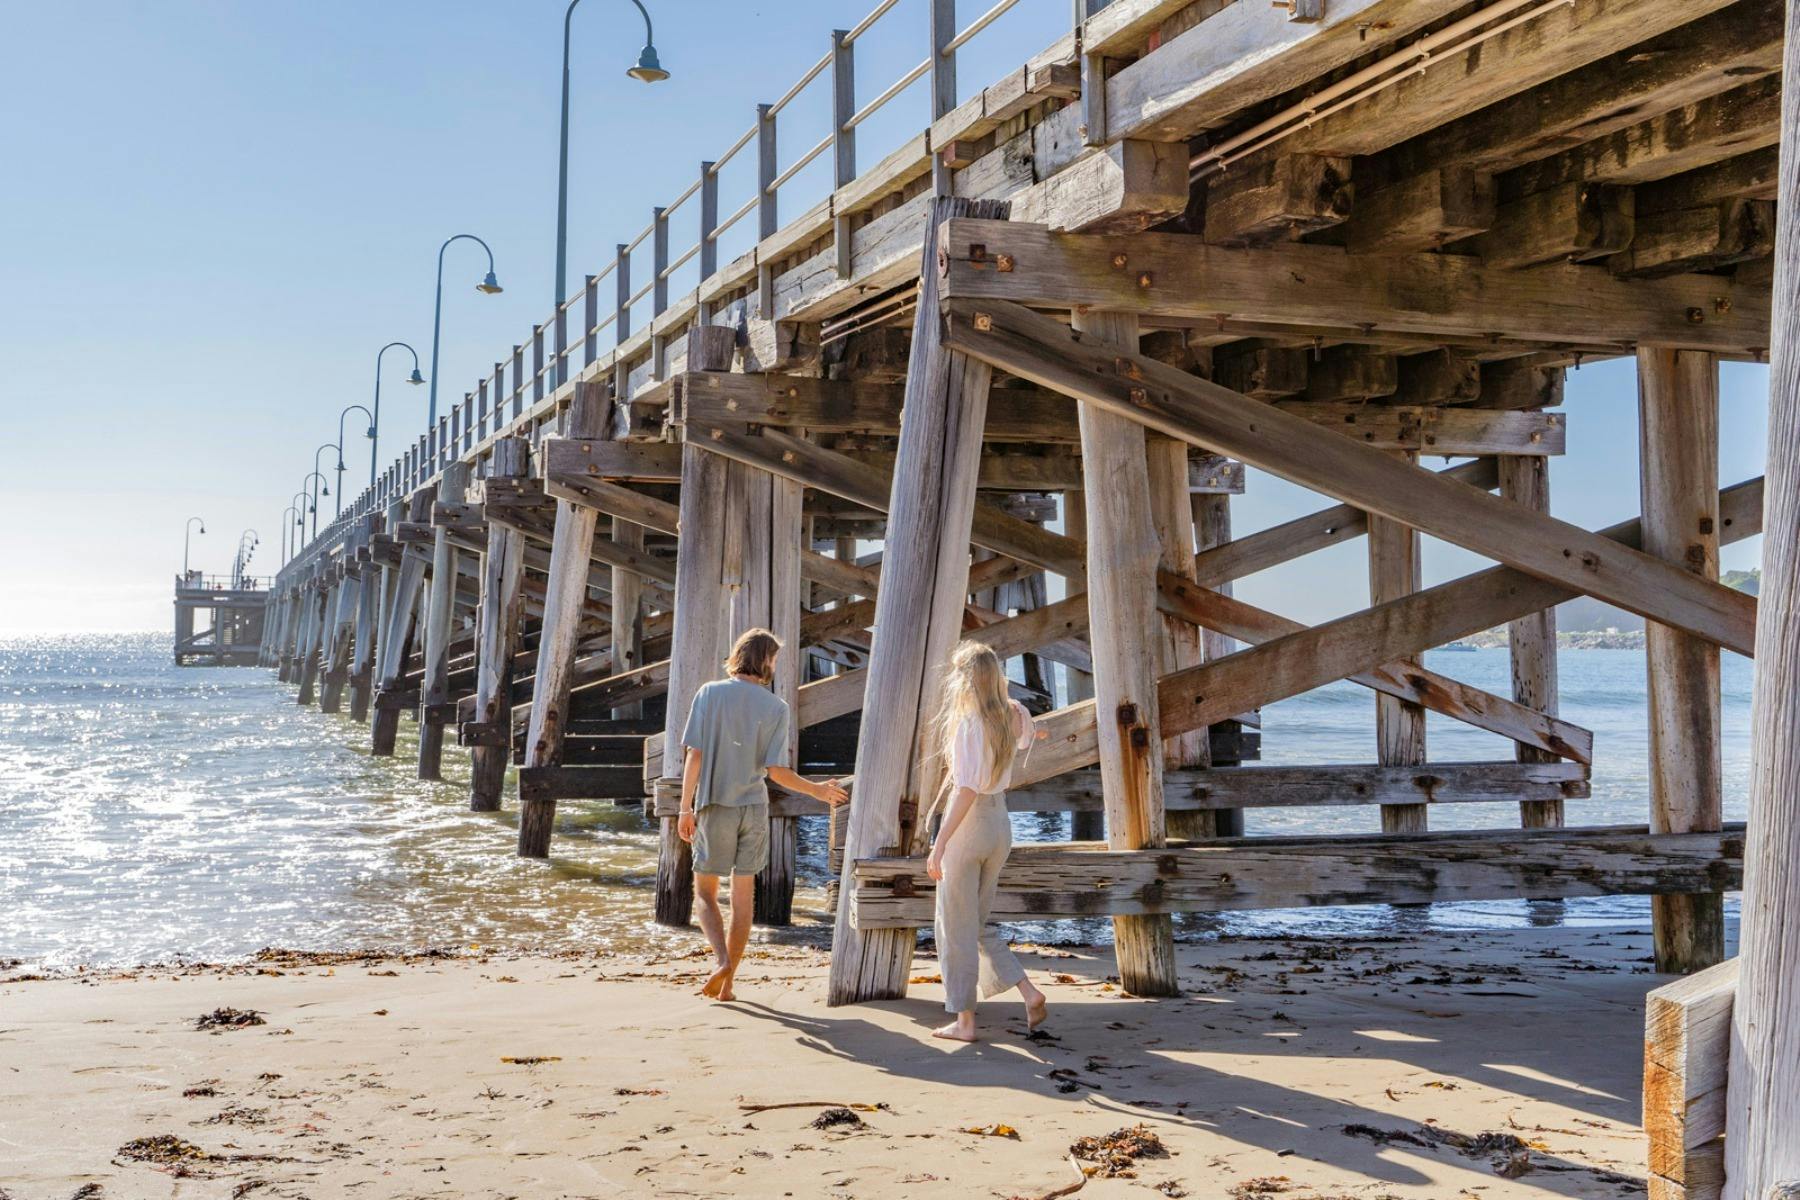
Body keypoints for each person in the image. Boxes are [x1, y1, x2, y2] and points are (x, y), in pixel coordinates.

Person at [677, 627, 846, 1001]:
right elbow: (776, 772)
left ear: (738, 655)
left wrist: (684, 807)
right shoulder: (776, 708)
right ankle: (729, 984)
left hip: (714, 806)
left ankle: (721, 962)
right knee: (743, 898)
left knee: (704, 894)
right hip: (753, 809)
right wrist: (817, 790)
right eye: (774, 659)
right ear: (766, 661)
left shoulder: (709, 693)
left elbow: (695, 756)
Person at [924, 641, 1050, 1042]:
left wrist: (940, 842)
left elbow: (965, 789)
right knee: (976, 924)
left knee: (953, 927)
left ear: (964, 679)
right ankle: (1028, 993)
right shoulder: (1014, 713)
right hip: (1000, 825)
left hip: (971, 824)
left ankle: (964, 1023)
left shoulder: (969, 723)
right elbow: (1029, 739)